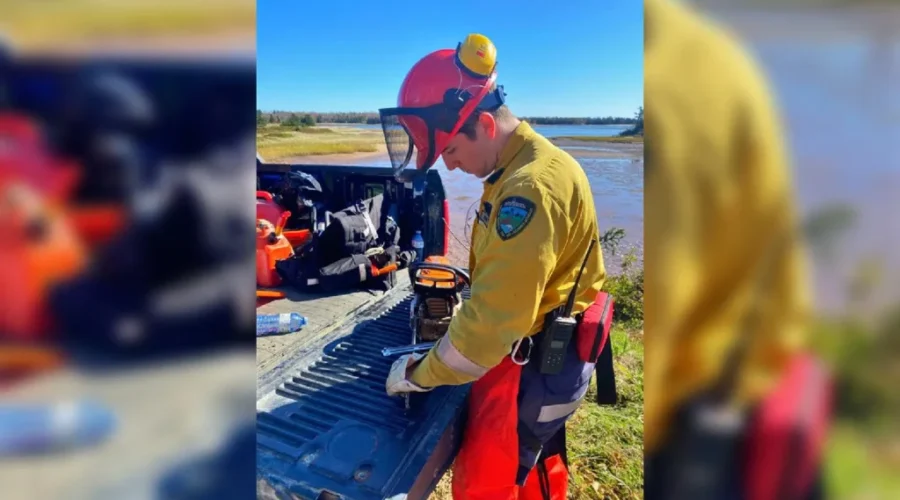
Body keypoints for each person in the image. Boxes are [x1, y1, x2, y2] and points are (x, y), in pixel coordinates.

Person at [379, 34, 607, 500]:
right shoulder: (517, 168)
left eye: (452, 153)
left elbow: (490, 328)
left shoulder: (529, 190)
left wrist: (418, 374)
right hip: (542, 356)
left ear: (483, 123)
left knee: (489, 485)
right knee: (523, 474)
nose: (451, 167)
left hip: (535, 368)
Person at [644, 1, 827, 498]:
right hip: (758, 367)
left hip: (707, 413)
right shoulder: (716, 54)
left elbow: (670, 282)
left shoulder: (674, 75)